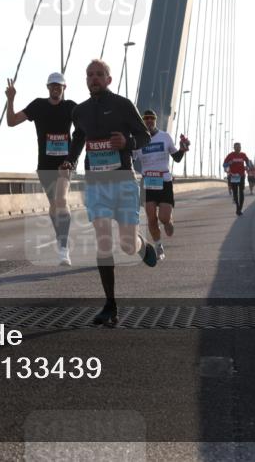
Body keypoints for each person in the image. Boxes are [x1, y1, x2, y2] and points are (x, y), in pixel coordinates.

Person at [60, 59, 155, 326]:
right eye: (89, 75)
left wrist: (128, 142)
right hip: (97, 184)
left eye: (99, 74)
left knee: (126, 245)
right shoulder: (80, 111)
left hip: (123, 180)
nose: (94, 79)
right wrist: (70, 160)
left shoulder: (123, 105)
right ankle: (110, 304)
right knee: (103, 239)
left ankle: (141, 244)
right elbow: (79, 137)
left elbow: (145, 136)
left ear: (109, 79)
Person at [5, 72, 77, 265]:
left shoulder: (71, 107)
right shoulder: (38, 105)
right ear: (48, 87)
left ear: (64, 88)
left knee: (61, 200)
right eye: (52, 85)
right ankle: (60, 237)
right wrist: (11, 99)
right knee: (54, 206)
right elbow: (11, 122)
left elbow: (87, 127)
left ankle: (63, 248)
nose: (56, 88)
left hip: (65, 163)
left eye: (59, 86)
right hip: (45, 165)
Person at [133, 109, 189, 259]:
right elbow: (130, 158)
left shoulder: (165, 137)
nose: (149, 121)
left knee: (163, 219)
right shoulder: (138, 141)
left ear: (155, 121)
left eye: (152, 118)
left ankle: (168, 221)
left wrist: (182, 150)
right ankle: (158, 246)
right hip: (148, 182)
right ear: (142, 121)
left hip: (164, 181)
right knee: (151, 218)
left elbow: (176, 158)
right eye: (146, 119)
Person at [222, 142, 254, 216]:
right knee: (235, 193)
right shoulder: (230, 155)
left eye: (239, 147)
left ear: (240, 148)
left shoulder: (243, 155)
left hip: (241, 175)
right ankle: (237, 207)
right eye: (236, 147)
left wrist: (248, 166)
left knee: (241, 192)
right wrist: (228, 163)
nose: (238, 148)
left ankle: (239, 209)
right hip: (233, 176)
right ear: (234, 148)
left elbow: (248, 162)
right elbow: (224, 164)